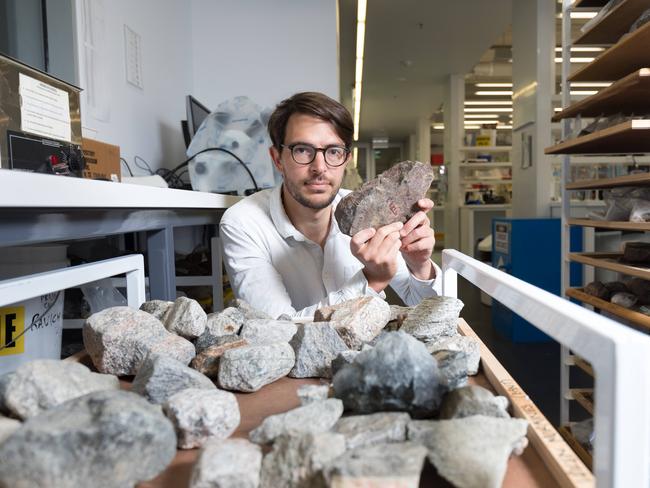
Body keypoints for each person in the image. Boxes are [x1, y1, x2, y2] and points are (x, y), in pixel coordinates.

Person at [220, 91, 441, 319]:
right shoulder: (243, 222)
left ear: (346, 159)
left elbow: (426, 307)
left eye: (333, 151)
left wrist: (420, 266)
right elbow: (276, 329)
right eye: (303, 150)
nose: (320, 167)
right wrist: (370, 281)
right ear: (277, 159)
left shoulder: (368, 212)